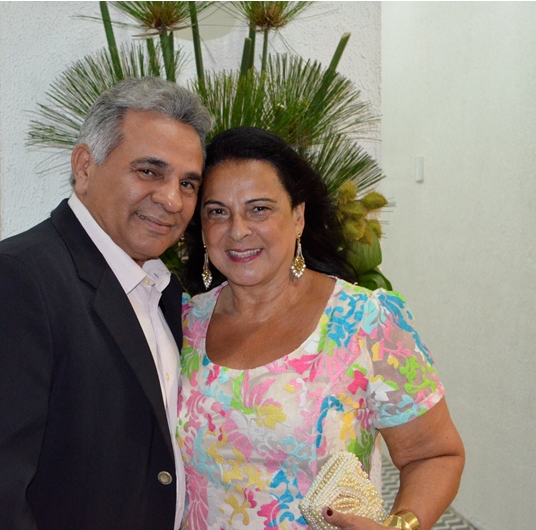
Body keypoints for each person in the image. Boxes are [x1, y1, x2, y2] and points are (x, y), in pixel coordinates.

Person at [0, 77, 213, 529]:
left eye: (187, 183)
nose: (171, 199)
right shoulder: (16, 282)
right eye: (149, 172)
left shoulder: (165, 290)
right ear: (84, 167)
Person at [177, 127, 465, 530]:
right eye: (217, 212)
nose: (238, 230)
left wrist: (401, 526)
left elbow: (434, 454)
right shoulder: (184, 323)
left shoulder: (366, 321)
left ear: (298, 217)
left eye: (259, 209)